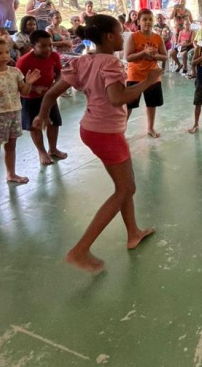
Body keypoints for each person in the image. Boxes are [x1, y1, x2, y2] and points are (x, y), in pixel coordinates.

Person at [33, 14, 160, 273]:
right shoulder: (111, 62)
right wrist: (148, 81)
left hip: (90, 129)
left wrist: (42, 114)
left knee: (124, 184)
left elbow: (51, 93)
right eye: (120, 32)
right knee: (125, 189)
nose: (123, 36)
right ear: (110, 37)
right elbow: (117, 98)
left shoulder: (83, 61)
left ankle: (133, 232)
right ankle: (81, 249)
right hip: (106, 133)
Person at [0, 35, 41, 201]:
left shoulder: (15, 71)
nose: (4, 56)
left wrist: (30, 82)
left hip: (14, 112)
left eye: (6, 52)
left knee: (11, 146)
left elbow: (24, 92)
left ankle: (11, 174)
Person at [16, 30, 67, 166]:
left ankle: (53, 148)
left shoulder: (54, 56)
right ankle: (41, 151)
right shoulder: (23, 62)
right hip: (30, 98)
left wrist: (55, 87)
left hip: (49, 96)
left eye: (50, 45)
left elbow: (59, 73)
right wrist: (34, 88)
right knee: (35, 126)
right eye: (43, 46)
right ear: (33, 46)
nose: (48, 49)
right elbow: (17, 83)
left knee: (54, 122)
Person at [124, 8, 167, 137]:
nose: (148, 22)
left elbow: (164, 56)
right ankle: (121, 130)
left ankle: (150, 128)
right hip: (135, 76)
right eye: (144, 19)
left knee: (152, 104)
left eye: (150, 19)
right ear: (138, 21)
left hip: (152, 76)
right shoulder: (133, 37)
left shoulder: (158, 38)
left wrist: (154, 55)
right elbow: (128, 57)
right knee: (129, 106)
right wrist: (143, 53)